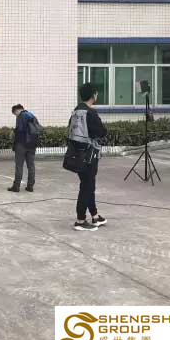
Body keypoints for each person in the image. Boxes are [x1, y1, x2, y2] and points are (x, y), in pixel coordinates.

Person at [69, 83, 108, 232]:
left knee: (87, 184)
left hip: (77, 154)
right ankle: (80, 220)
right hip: (89, 155)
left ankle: (95, 216)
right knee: (87, 186)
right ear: (93, 95)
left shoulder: (75, 112)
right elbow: (101, 132)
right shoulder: (90, 113)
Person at [8, 105, 40, 193]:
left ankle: (16, 186)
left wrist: (14, 136)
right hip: (32, 145)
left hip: (21, 145)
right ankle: (30, 186)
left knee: (19, 166)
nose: (16, 115)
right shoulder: (32, 116)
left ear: (17, 110)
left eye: (15, 114)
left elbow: (19, 131)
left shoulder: (21, 116)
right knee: (31, 166)